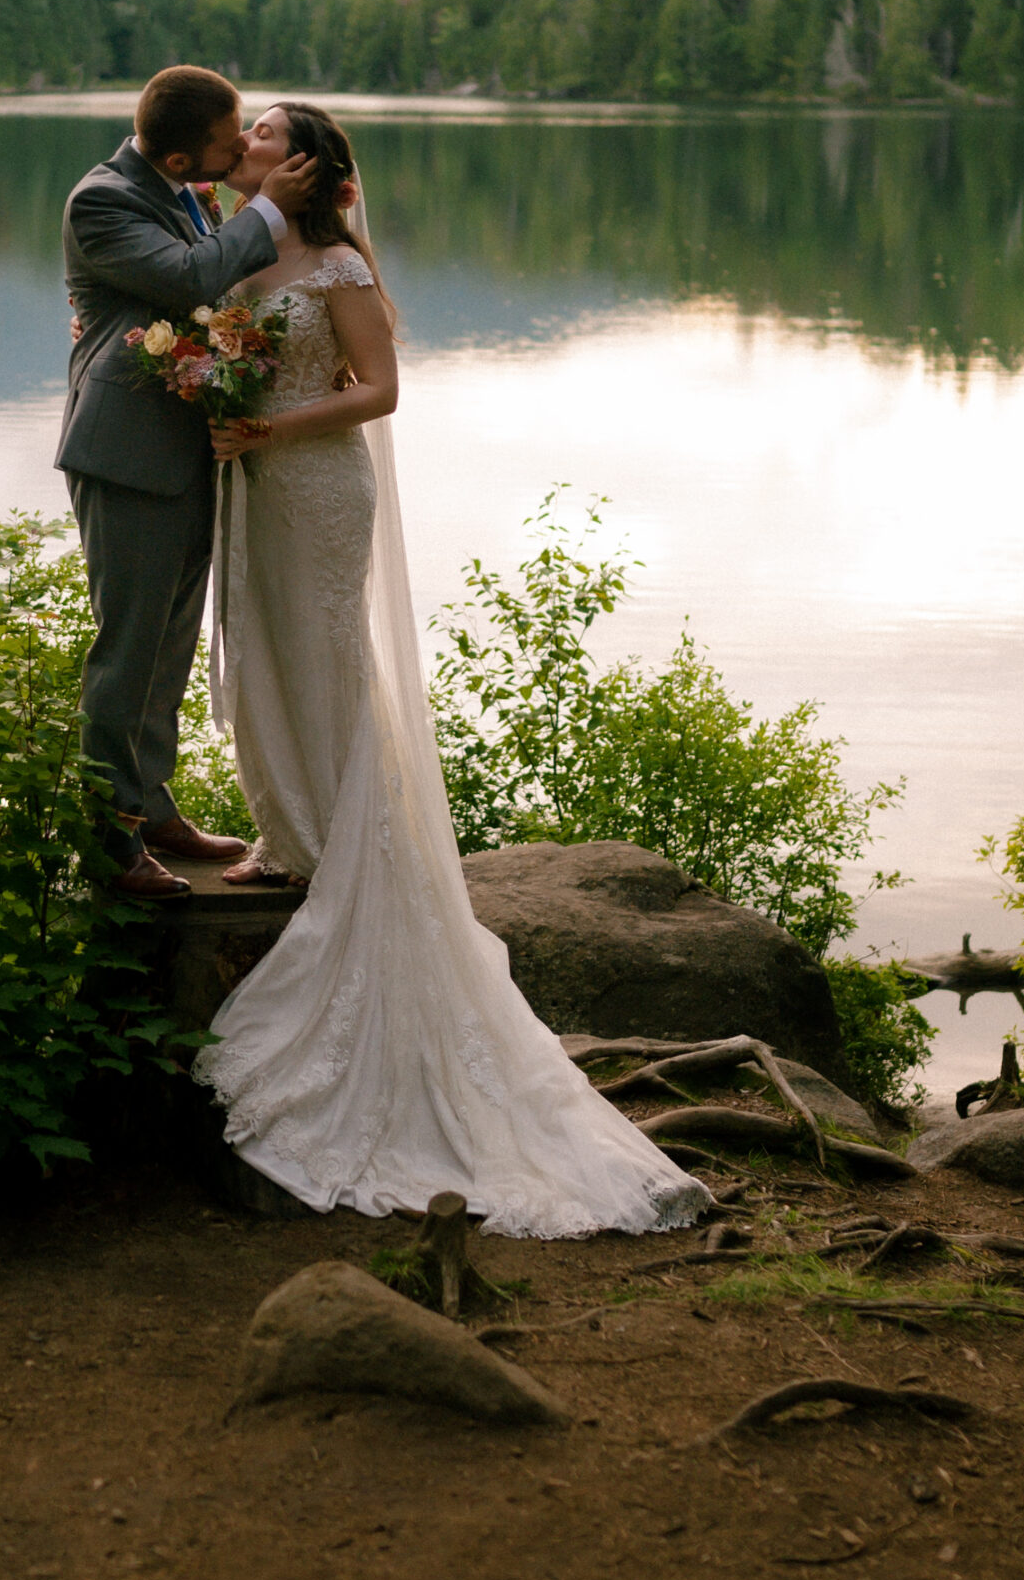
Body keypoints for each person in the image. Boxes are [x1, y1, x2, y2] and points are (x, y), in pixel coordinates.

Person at [197, 101, 712, 1238]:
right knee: (266, 659)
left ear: (307, 160)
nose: (247, 137)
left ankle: (347, 854)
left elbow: (378, 390)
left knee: (330, 664)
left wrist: (270, 430)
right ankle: (288, 830)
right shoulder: (231, 245)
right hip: (257, 486)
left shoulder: (332, 262)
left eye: (267, 131)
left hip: (317, 486)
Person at [57, 66, 318, 899]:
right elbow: (185, 280)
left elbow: (188, 290)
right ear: (178, 155)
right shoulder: (99, 199)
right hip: (125, 455)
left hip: (182, 449)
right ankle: (108, 842)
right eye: (226, 140)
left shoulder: (180, 190)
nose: (241, 147)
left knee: (167, 647)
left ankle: (151, 806)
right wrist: (269, 209)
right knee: (126, 651)